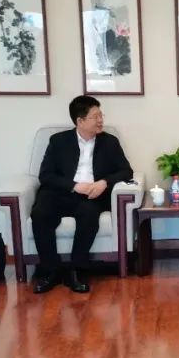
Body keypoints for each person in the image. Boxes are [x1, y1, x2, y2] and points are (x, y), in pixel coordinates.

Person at [30, 95, 133, 294]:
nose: (101, 120)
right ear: (80, 121)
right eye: (95, 116)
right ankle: (50, 270)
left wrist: (104, 183)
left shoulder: (109, 142)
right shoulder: (58, 141)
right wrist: (74, 186)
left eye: (101, 115)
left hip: (91, 195)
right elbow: (46, 175)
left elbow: (126, 171)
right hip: (60, 192)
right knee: (40, 214)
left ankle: (76, 270)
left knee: (89, 215)